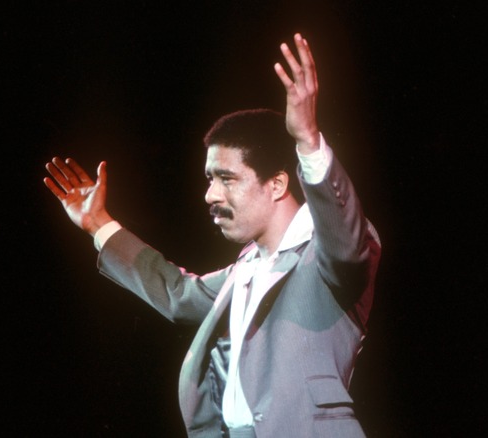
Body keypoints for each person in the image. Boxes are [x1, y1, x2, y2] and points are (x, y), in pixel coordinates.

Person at [44, 33, 381, 438]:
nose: (210, 195)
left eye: (226, 179)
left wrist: (308, 143)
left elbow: (343, 239)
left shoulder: (332, 257)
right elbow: (177, 294)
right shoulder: (246, 269)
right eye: (209, 179)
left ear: (276, 184)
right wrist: (98, 222)